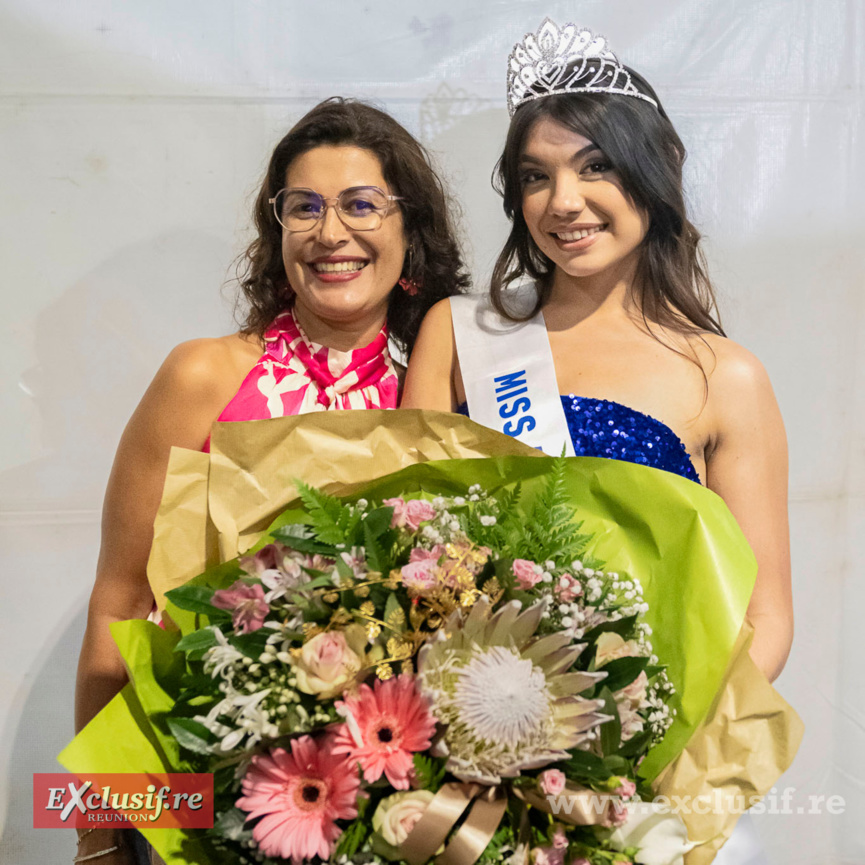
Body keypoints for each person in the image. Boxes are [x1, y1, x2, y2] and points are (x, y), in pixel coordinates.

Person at [73, 97, 469, 865]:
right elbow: (119, 605)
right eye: (304, 207)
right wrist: (94, 835)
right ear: (275, 226)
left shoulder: (454, 390)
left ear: (408, 226)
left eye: (361, 205)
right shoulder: (203, 374)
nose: (331, 233)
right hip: (205, 804)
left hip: (406, 810)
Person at [403, 20, 793, 685]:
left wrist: (664, 745)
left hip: (642, 741)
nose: (563, 201)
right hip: (462, 710)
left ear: (651, 174)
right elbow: (404, 538)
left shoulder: (723, 377)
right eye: (535, 176)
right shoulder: (458, 333)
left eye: (594, 167)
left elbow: (764, 616)